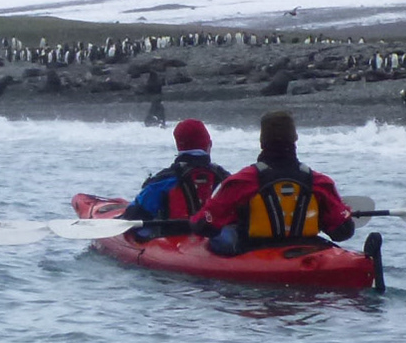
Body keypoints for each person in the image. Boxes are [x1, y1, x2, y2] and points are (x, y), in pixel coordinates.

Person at [189, 110, 353, 256]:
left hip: (255, 256)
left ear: (262, 142)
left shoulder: (241, 182)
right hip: (307, 252)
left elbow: (205, 226)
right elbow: (343, 231)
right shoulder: (320, 183)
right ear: (295, 139)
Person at [120, 119, 228, 234]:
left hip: (175, 237)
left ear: (178, 146)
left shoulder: (164, 181)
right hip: (218, 237)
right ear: (209, 144)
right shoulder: (225, 178)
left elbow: (134, 214)